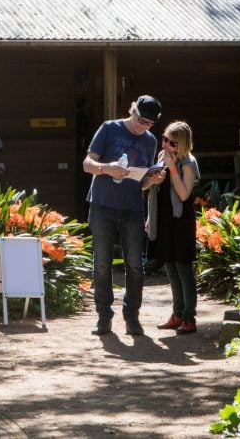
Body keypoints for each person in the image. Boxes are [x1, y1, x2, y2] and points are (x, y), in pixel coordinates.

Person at [83, 94, 165, 336]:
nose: (143, 127)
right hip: (102, 204)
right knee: (101, 264)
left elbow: (141, 182)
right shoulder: (109, 128)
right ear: (132, 110)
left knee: (135, 266)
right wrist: (106, 169)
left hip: (131, 208)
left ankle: (132, 317)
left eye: (149, 124)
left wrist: (153, 179)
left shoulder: (150, 141)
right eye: (141, 120)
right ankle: (103, 317)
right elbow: (87, 164)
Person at [147, 121, 200, 335]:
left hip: (181, 220)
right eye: (164, 139)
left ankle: (189, 317)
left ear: (183, 144)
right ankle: (177, 314)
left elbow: (184, 193)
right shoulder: (161, 157)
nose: (166, 145)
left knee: (183, 268)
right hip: (164, 219)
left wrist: (172, 170)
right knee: (170, 267)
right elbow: (152, 189)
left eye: (172, 142)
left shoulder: (188, 162)